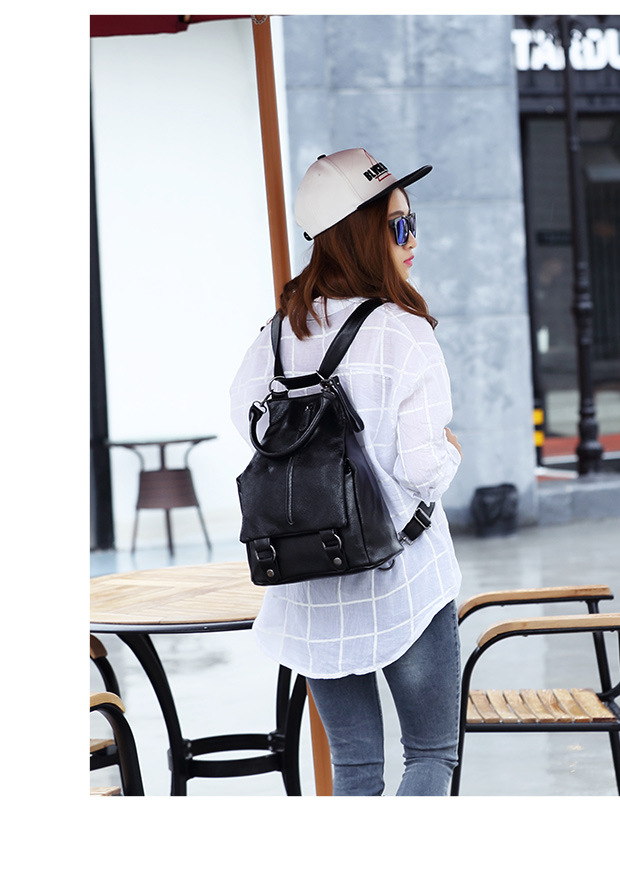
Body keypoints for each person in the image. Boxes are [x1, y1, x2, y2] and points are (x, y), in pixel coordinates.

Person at [230, 147, 463, 796]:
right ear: (358, 234)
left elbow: (245, 415)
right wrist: (451, 449)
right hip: (401, 576)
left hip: (310, 579)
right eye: (398, 226)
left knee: (355, 770)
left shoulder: (279, 332)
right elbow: (423, 469)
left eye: (412, 223)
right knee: (430, 756)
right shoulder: (401, 330)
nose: (412, 240)